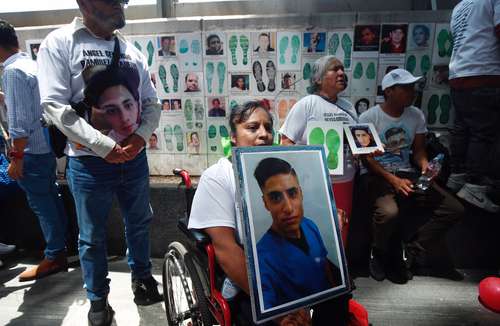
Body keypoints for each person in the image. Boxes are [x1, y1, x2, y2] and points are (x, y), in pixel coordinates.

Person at [36, 1, 162, 325]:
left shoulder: (132, 52)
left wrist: (138, 137)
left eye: (124, 0)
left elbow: (151, 103)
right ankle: (98, 301)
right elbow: (54, 106)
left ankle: (143, 278)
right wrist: (104, 145)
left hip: (133, 158)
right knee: (91, 237)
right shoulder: (61, 43)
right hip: (89, 163)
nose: (121, 5)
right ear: (86, 3)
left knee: (140, 222)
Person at [188, 101, 348, 325]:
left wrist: (332, 221)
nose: (263, 134)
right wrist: (277, 311)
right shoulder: (218, 177)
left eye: (268, 127)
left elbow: (325, 267)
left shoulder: (308, 225)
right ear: (233, 136)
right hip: (248, 281)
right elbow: (226, 251)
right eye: (253, 128)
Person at [359, 69, 464, 284]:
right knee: (389, 212)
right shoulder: (369, 117)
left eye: (412, 87)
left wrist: (426, 167)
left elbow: (418, 152)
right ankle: (378, 253)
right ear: (389, 91)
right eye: (405, 88)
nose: (412, 92)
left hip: (408, 173)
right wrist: (393, 180)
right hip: (377, 176)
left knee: (454, 209)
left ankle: (412, 248)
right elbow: (367, 160)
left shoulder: (416, 115)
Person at [0, 19, 69, 282]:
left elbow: (18, 123)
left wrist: (16, 159)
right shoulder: (30, 64)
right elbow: (34, 106)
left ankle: (54, 255)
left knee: (42, 205)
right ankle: (60, 248)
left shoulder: (13, 72)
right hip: (45, 147)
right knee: (51, 199)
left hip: (29, 152)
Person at [280, 55, 358, 246]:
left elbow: (358, 141)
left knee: (342, 227)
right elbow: (285, 142)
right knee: (315, 229)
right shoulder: (307, 104)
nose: (341, 73)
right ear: (318, 79)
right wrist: (307, 167)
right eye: (334, 69)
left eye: (342, 69)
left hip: (346, 181)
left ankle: (339, 273)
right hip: (315, 183)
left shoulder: (349, 108)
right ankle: (316, 272)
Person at [254, 157, 343, 310]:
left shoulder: (309, 225)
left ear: (301, 193)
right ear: (265, 203)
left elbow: (324, 266)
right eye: (275, 198)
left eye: (293, 193)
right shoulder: (262, 258)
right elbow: (270, 310)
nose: (288, 208)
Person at [447, 0, 500, 213]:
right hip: (484, 72)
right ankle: (475, 186)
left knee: (463, 128)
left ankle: (457, 175)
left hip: (459, 73)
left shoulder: (461, 6)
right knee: (483, 133)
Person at [85, 66, 141, 143]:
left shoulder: (147, 129)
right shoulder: (102, 141)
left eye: (128, 105)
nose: (124, 118)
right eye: (112, 111)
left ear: (137, 104)